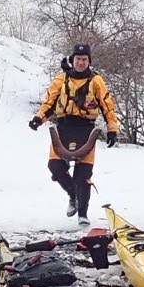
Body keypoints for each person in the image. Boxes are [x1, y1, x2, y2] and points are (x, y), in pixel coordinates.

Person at [28, 42, 120, 224]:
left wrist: (112, 130)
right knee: (55, 166)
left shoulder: (96, 81)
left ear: (89, 61)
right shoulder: (61, 79)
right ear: (73, 59)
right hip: (63, 127)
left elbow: (107, 107)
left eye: (84, 59)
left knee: (83, 175)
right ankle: (73, 195)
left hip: (86, 129)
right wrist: (38, 119)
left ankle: (83, 215)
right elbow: (49, 103)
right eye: (78, 59)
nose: (81, 62)